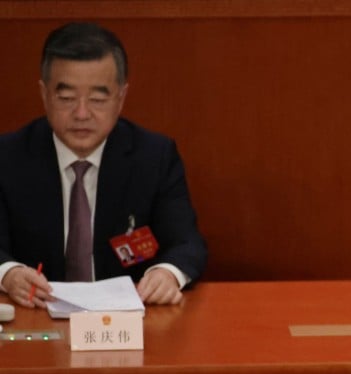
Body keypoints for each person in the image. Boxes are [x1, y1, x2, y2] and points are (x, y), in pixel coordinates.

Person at [0, 22, 208, 308]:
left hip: (131, 324)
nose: (82, 113)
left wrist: (167, 273)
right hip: (36, 315)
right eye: (67, 98)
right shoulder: (7, 157)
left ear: (120, 98)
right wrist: (8, 273)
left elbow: (187, 243)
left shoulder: (153, 156)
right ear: (44, 94)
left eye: (98, 99)